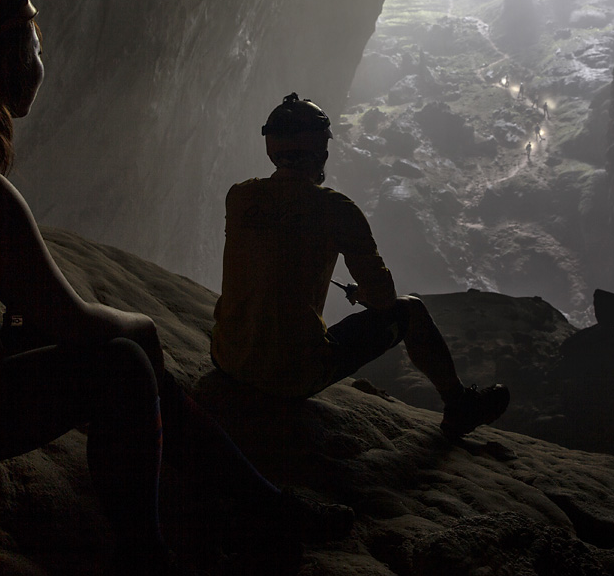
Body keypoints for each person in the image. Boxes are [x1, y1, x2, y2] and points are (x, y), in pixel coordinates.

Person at [0, 0, 350, 572]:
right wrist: (142, 325)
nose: (40, 62)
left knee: (109, 352)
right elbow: (74, 322)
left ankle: (263, 505)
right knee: (125, 363)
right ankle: (150, 552)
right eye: (31, 47)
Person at [211, 93, 509, 439]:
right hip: (291, 376)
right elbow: (384, 299)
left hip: (227, 359)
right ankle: (459, 405)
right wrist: (365, 294)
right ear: (321, 150)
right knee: (410, 311)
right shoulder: (338, 209)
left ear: (271, 148)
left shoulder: (240, 196)